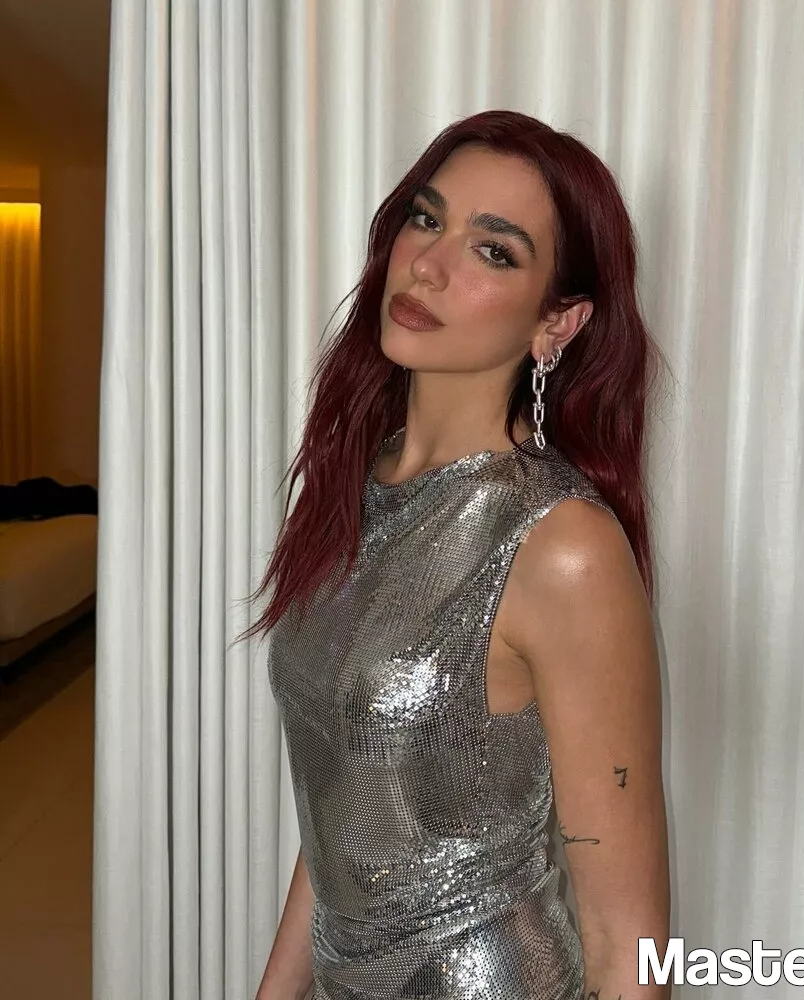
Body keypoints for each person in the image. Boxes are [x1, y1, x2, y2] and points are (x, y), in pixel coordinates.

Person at [247, 109, 670, 1000]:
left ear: (557, 323)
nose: (427, 265)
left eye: (493, 251)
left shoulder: (561, 546)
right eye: (425, 218)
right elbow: (350, 800)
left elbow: (624, 935)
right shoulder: (355, 485)